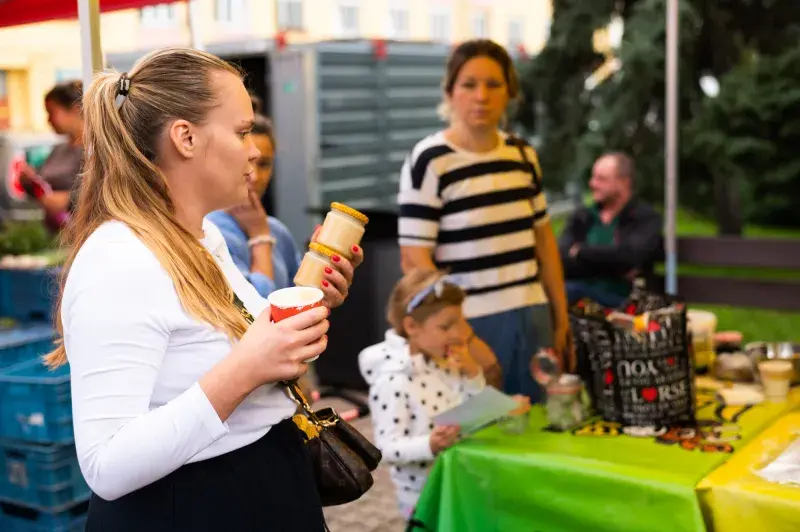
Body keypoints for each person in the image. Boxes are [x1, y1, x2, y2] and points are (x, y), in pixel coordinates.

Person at [44, 47, 362, 531]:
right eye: (241, 131)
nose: (254, 149)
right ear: (185, 137)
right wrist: (245, 368)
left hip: (258, 487)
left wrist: (313, 303)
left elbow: (230, 352)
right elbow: (106, 466)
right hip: (191, 507)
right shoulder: (118, 260)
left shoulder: (202, 235)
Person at [397, 39, 572, 403]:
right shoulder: (430, 160)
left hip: (532, 314)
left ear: (510, 92)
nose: (482, 96)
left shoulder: (523, 155)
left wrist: (561, 315)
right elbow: (416, 259)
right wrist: (463, 335)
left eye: (494, 84)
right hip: (472, 322)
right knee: (479, 431)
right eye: (469, 84)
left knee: (537, 424)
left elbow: (544, 244)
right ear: (449, 92)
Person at [358, 269, 529, 519]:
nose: (458, 334)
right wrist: (430, 444)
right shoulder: (393, 380)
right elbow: (385, 449)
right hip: (424, 498)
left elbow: (469, 415)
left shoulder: (443, 360)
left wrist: (474, 377)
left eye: (459, 322)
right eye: (445, 326)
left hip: (458, 483)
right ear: (411, 326)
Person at [207, 115, 347, 398]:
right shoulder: (208, 230)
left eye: (265, 164)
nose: (255, 175)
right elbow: (256, 317)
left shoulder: (278, 232)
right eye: (248, 160)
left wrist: (327, 281)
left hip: (285, 389)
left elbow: (301, 306)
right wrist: (259, 237)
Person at [559, 152, 663, 308]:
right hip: (579, 299)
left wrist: (580, 253)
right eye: (593, 177)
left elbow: (631, 256)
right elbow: (561, 257)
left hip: (623, 302)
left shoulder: (645, 218)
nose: (592, 183)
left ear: (624, 183)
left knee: (567, 292)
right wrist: (614, 267)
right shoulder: (583, 217)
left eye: (601, 179)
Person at [18, 80, 84, 232]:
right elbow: (42, 185)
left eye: (51, 113)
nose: (48, 120)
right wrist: (29, 182)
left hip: (80, 232)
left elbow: (103, 187)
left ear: (74, 110)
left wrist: (69, 199)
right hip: (55, 232)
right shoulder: (58, 150)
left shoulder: (94, 150)